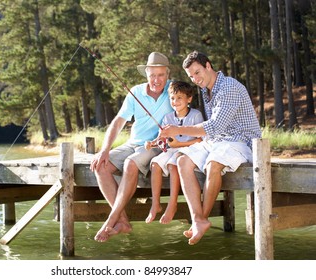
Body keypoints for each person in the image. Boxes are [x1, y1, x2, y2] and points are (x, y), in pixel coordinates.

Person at [159, 51, 261, 245]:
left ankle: (201, 219)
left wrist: (177, 129)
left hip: (242, 140)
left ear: (208, 65)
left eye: (197, 72)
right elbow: (213, 132)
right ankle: (198, 218)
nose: (195, 79)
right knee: (182, 160)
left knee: (213, 164)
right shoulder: (207, 90)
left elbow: (214, 126)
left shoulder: (228, 86)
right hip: (219, 140)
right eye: (191, 76)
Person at [90, 52, 173, 242]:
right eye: (152, 75)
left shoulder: (173, 90)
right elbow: (118, 121)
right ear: (146, 74)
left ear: (167, 75)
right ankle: (123, 221)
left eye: (161, 75)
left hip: (158, 146)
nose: (156, 80)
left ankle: (111, 220)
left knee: (130, 163)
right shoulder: (136, 92)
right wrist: (104, 150)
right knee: (100, 166)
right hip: (133, 143)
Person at [144, 81, 203, 224]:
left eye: (179, 98)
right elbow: (162, 139)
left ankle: (172, 205)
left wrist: (180, 144)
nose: (175, 102)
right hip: (173, 149)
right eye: (172, 98)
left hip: (190, 149)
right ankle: (155, 204)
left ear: (189, 99)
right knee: (155, 164)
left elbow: (201, 140)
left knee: (173, 164)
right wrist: (152, 143)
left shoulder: (196, 115)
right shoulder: (168, 118)